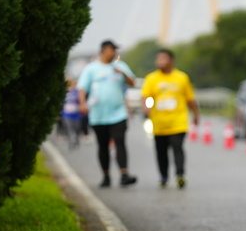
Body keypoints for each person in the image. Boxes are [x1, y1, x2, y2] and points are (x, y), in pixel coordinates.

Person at [77, 40, 138, 188]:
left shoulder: (120, 66)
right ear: (103, 50)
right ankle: (106, 176)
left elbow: (133, 82)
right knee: (103, 145)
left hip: (118, 112)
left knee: (120, 141)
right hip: (98, 114)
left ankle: (124, 174)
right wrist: (82, 103)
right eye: (112, 50)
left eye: (115, 50)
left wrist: (123, 74)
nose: (114, 53)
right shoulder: (91, 68)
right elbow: (82, 88)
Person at [140, 48, 200, 188]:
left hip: (178, 122)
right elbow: (146, 96)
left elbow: (190, 98)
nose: (159, 61)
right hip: (159, 123)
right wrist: (147, 107)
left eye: (163, 58)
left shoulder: (181, 77)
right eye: (158, 58)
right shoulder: (151, 78)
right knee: (161, 152)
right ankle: (164, 176)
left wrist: (196, 113)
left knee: (177, 148)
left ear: (171, 61)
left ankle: (180, 174)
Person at [61, 77, 82, 149]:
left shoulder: (77, 91)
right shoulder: (64, 92)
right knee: (70, 129)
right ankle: (72, 141)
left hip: (76, 113)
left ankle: (76, 139)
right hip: (67, 114)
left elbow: (80, 101)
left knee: (76, 128)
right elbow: (61, 103)